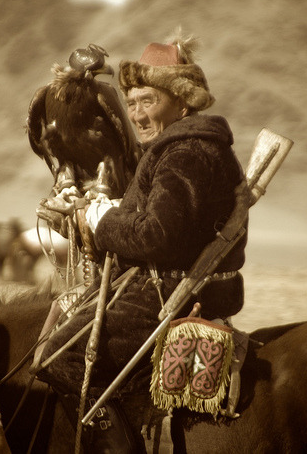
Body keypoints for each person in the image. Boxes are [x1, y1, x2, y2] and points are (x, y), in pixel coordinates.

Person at [35, 34, 248, 452]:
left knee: (60, 357)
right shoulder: (177, 148)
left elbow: (157, 236)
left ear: (181, 102)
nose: (136, 115)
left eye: (148, 101)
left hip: (171, 291)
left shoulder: (187, 151)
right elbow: (157, 220)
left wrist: (102, 218)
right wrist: (84, 214)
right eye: (131, 103)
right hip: (160, 282)